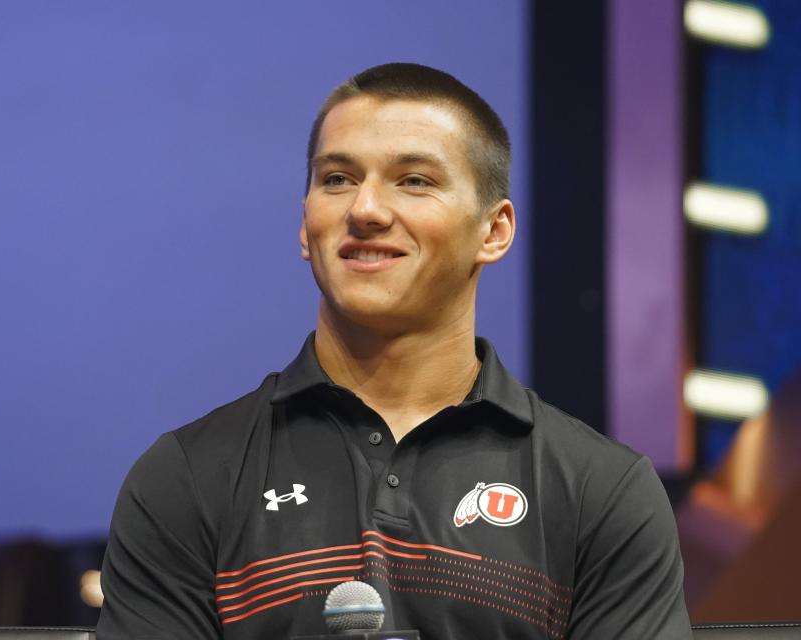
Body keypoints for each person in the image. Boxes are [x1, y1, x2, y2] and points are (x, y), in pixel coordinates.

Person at [96, 62, 691, 639]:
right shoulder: (188, 478)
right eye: (337, 179)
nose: (366, 210)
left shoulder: (602, 492)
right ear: (306, 225)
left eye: (415, 181)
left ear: (495, 230)